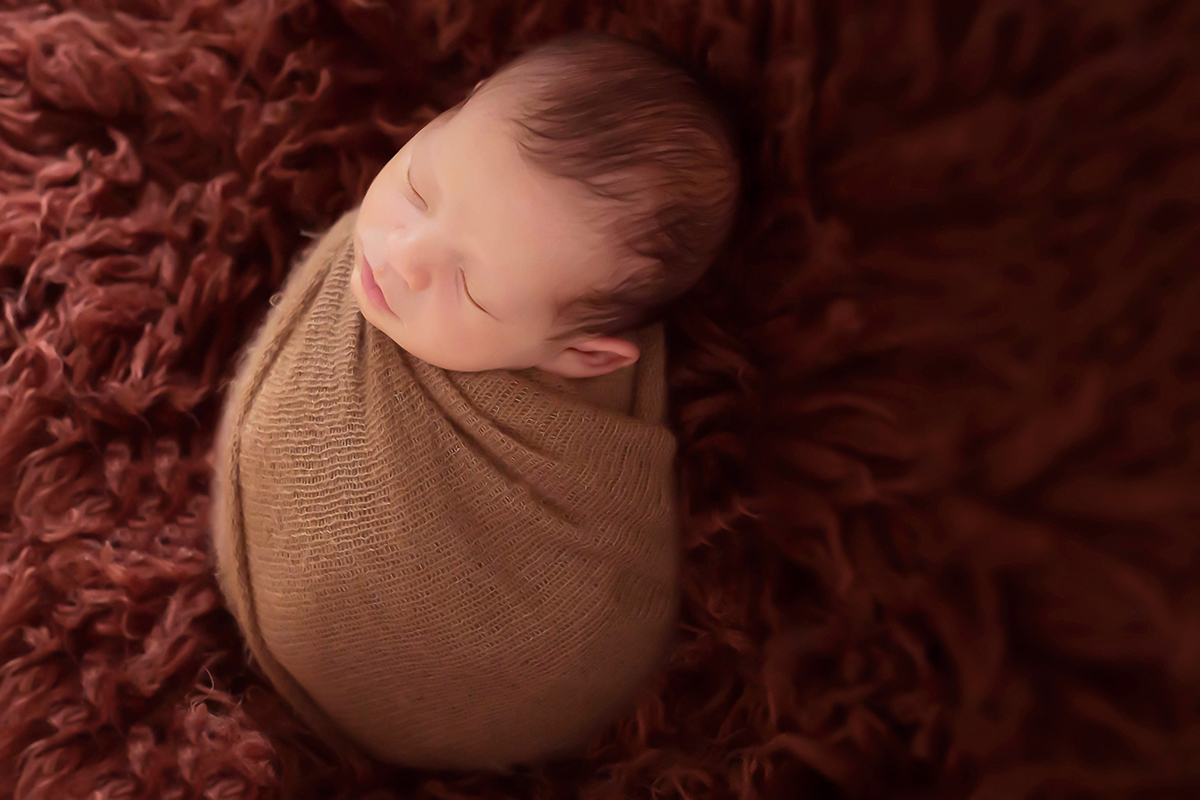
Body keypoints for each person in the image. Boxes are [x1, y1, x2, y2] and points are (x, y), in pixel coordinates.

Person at [212, 30, 743, 771]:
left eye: (470, 286)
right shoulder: (413, 255)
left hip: (447, 698)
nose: (400, 253)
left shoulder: (569, 469)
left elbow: (583, 629)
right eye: (419, 187)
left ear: (580, 357)